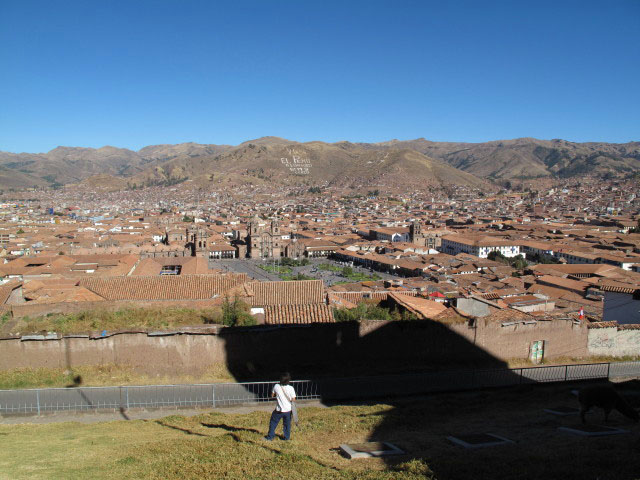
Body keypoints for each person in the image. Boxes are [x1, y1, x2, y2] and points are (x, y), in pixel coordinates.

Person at [264, 372, 296, 441]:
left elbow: (272, 395)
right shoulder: (291, 388)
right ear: (288, 380)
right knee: (287, 425)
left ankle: (270, 437)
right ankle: (286, 438)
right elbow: (293, 399)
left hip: (279, 410)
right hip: (288, 410)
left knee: (273, 422)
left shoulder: (276, 386)